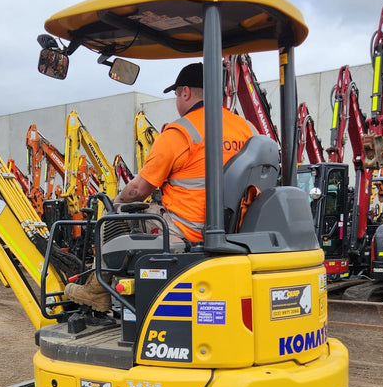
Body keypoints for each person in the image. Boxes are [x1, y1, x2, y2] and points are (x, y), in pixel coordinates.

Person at [65, 62, 255, 311]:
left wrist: (117, 202)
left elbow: (138, 190)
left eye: (177, 95)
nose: (177, 101)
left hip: (188, 229)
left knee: (114, 216)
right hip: (239, 230)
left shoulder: (181, 132)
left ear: (185, 92)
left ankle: (97, 290)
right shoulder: (248, 129)